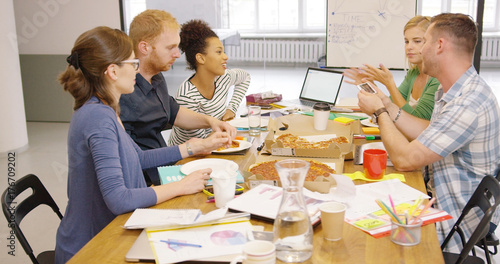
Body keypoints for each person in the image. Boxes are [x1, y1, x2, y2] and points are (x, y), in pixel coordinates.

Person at [55, 26, 229, 263]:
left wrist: (192, 147)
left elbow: (137, 158)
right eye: (133, 63)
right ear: (113, 71)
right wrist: (181, 186)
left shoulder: (106, 108)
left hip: (111, 232)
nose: (137, 70)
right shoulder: (98, 117)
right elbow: (119, 199)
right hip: (92, 248)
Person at [357, 13, 500, 252]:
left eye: (423, 42)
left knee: (362, 242)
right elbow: (425, 131)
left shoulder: (467, 104)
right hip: (438, 198)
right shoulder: (452, 91)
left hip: (452, 224)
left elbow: (404, 160)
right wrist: (386, 101)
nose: (418, 51)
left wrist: (381, 111)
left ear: (440, 45)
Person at [119, 10, 237, 185]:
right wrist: (192, 147)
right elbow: (131, 159)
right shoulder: (124, 92)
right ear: (144, 48)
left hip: (164, 169)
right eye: (170, 48)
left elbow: (174, 111)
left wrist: (211, 121)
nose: (177, 54)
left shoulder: (156, 77)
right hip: (143, 181)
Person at [168, 19, 250, 145]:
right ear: (201, 58)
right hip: (187, 158)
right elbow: (202, 143)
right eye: (218, 52)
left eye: (224, 51)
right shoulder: (187, 95)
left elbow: (245, 77)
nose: (225, 57)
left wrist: (232, 108)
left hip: (210, 146)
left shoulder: (224, 77)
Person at [344, 16, 440, 121]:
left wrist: (390, 84)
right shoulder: (413, 73)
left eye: (417, 41)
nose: (409, 47)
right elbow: (390, 106)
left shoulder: (437, 80)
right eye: (406, 41)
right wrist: (370, 86)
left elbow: (416, 121)